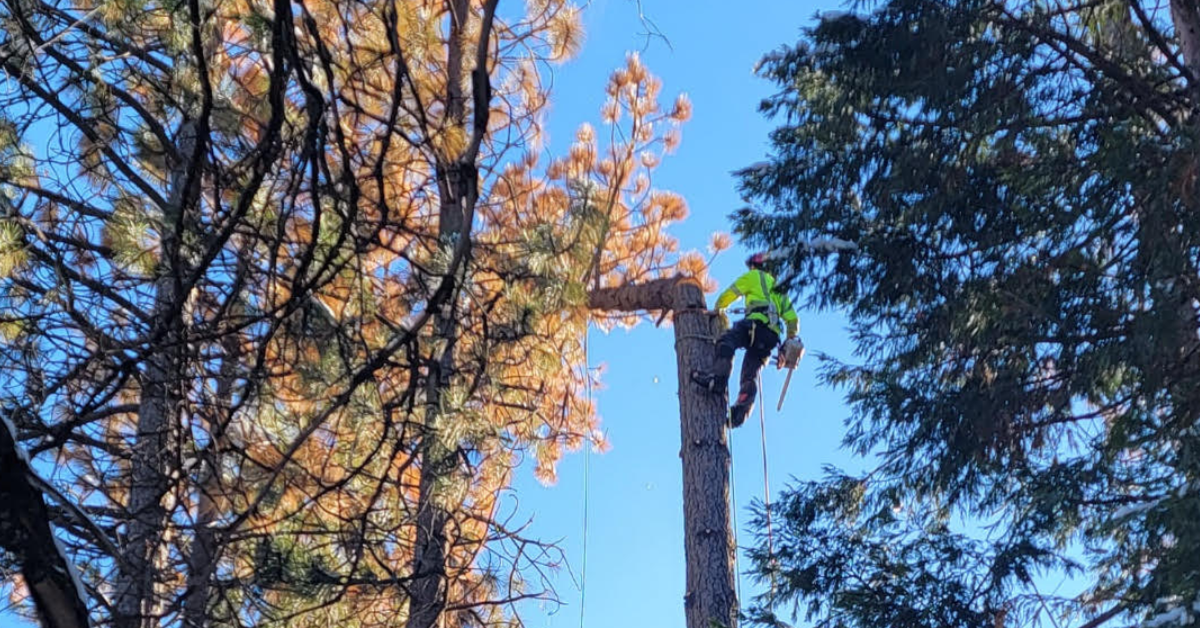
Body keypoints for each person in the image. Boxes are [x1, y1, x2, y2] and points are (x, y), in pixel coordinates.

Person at [691, 252, 799, 427]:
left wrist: (718, 308)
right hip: (771, 337)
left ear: (755, 266)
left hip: (755, 325)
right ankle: (741, 412)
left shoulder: (753, 276)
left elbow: (731, 293)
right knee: (751, 374)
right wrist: (789, 342)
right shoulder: (779, 290)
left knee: (727, 341)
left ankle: (718, 379)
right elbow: (792, 319)